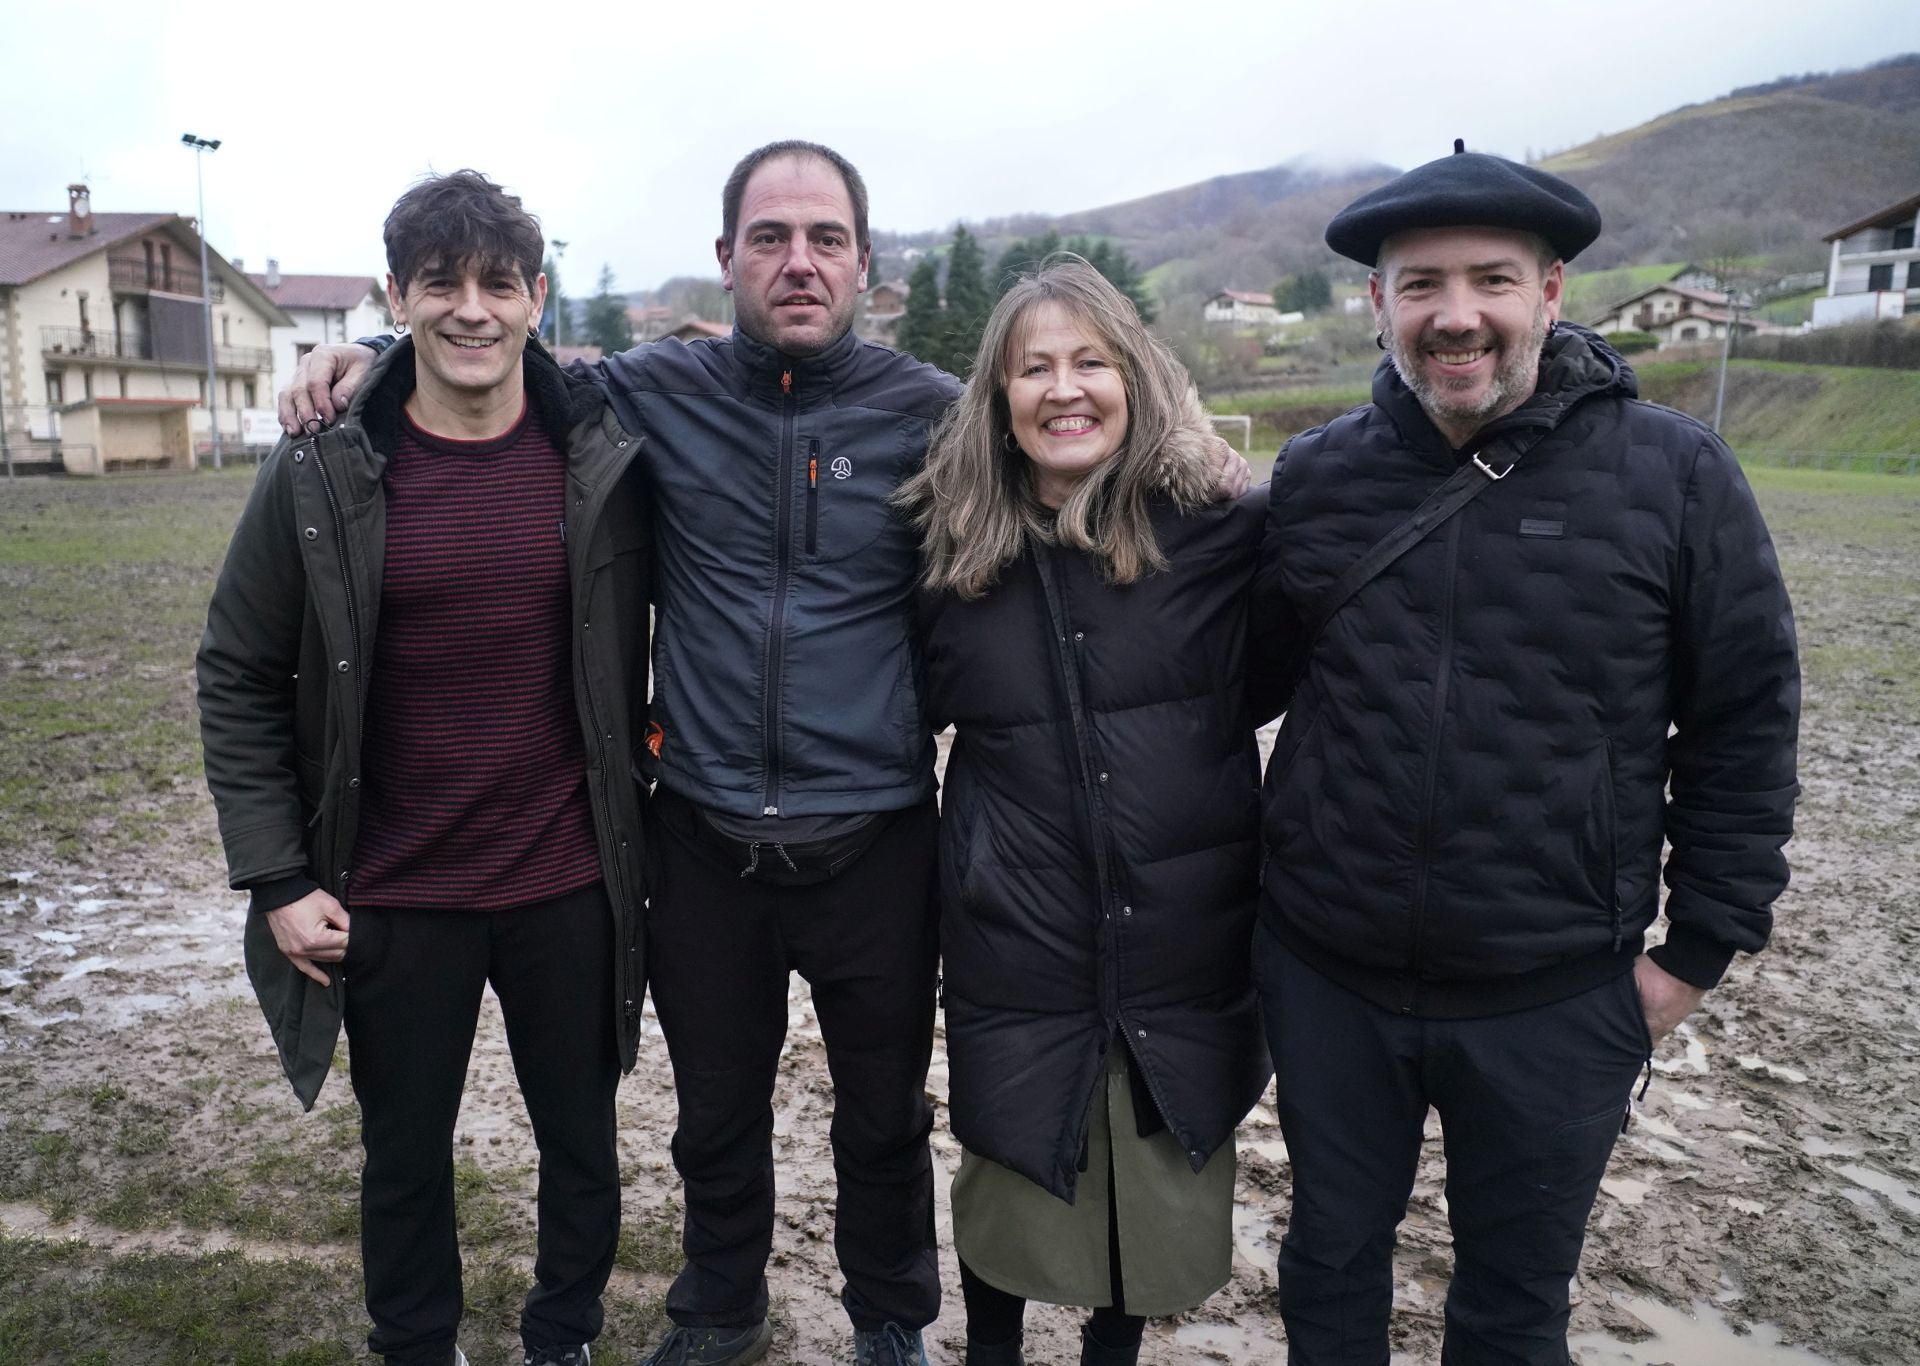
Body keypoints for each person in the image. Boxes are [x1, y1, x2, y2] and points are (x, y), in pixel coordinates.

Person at [1252, 144, 1801, 1363]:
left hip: (1557, 993)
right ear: (1377, 301)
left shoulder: (1675, 475)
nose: (1458, 316)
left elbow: (1747, 721)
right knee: (1329, 1264)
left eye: (1491, 280)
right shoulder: (1319, 475)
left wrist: (1694, 955)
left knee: (1512, 1309)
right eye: (1422, 283)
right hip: (1329, 975)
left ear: (1551, 292)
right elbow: (1226, 684)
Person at [198, 170, 652, 1366]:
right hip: (394, 891)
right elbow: (236, 671)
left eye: (498, 283)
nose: (471, 310)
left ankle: (564, 1337)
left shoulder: (601, 455)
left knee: (582, 1145)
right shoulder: (316, 470)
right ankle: (415, 1343)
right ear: (394, 294)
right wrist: (278, 876)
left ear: (536, 298)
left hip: (567, 880)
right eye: (438, 283)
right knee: (403, 1155)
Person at [897, 257, 1278, 1366]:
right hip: (1017, 936)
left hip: (1182, 929)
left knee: (1152, 1185)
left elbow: (1283, 670)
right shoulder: (948, 554)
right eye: (1035, 368)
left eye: (1090, 362)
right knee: (1013, 1160)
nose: (1065, 389)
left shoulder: (1219, 532)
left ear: (1135, 380)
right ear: (1000, 400)